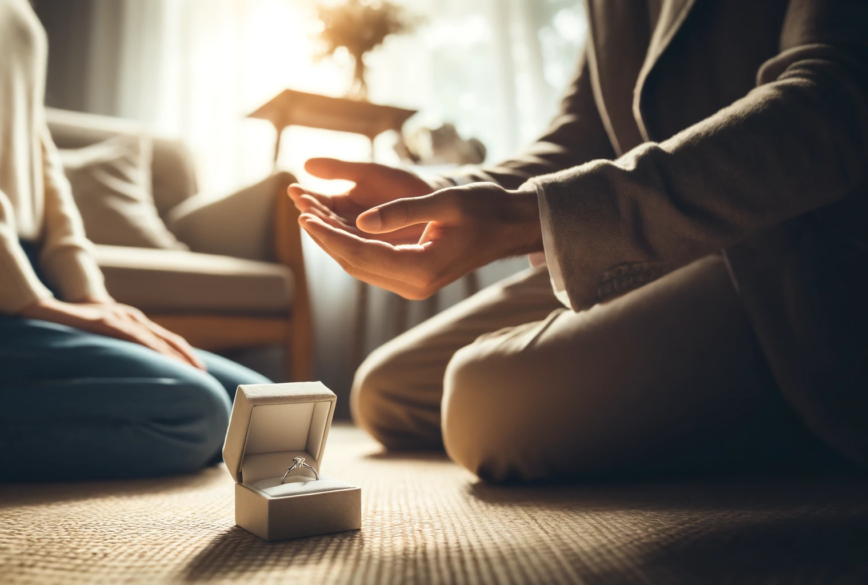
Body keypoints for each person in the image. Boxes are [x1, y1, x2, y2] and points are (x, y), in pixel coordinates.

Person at [290, 0, 867, 482]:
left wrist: (531, 217)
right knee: (386, 392)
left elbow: (833, 102)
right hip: (663, 247)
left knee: (480, 405)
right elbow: (583, 135)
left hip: (787, 258)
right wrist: (437, 191)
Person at [0, 0, 268, 483]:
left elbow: (37, 153)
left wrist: (90, 297)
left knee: (256, 403)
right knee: (194, 412)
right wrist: (24, 299)